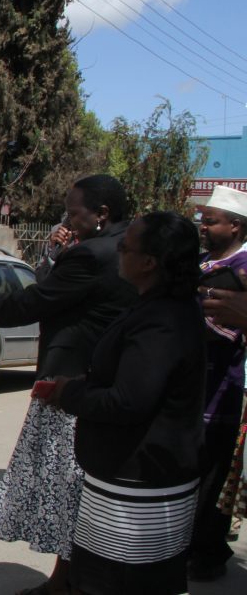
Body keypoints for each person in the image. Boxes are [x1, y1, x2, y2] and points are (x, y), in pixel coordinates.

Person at [0, 174, 137, 595]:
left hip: (72, 385)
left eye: (73, 213)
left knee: (67, 488)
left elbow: (36, 299)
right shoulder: (124, 248)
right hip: (110, 382)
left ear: (102, 213)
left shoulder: (91, 255)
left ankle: (65, 583)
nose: (66, 222)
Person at [44, 211, 205, 595]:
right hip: (132, 478)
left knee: (113, 582)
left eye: (125, 247)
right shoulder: (156, 306)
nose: (118, 251)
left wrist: (68, 393)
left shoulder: (161, 319)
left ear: (149, 262)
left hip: (138, 486)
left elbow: (128, 401)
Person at [188, 185, 247, 581]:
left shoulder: (241, 268)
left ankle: (208, 552)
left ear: (236, 226)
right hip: (194, 385)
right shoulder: (204, 263)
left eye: (211, 221)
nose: (203, 227)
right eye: (202, 221)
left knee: (213, 474)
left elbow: (222, 327)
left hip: (223, 388)